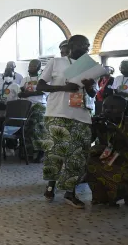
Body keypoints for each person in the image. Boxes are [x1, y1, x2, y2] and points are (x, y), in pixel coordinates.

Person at [37, 35, 97, 208]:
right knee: (55, 152)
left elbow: (94, 95)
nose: (87, 48)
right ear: (72, 45)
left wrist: (89, 87)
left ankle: (70, 193)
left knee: (77, 155)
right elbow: (41, 86)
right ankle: (50, 186)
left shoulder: (90, 65)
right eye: (84, 45)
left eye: (88, 46)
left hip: (82, 115)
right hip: (57, 113)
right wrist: (64, 87)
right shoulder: (56, 62)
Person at [87, 96, 128, 206]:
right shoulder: (102, 122)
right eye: (105, 107)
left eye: (112, 108)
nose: (107, 110)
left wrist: (120, 132)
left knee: (101, 167)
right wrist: (92, 128)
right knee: (89, 162)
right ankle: (107, 197)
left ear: (123, 109)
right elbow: (88, 141)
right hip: (107, 159)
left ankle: (125, 191)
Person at [19, 59, 47, 163]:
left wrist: (29, 94)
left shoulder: (43, 79)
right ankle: (29, 152)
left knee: (37, 129)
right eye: (30, 65)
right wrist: (21, 93)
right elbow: (20, 91)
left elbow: (43, 92)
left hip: (39, 106)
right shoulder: (25, 79)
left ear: (39, 67)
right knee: (26, 129)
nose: (30, 67)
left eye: (33, 66)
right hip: (26, 106)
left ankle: (41, 152)